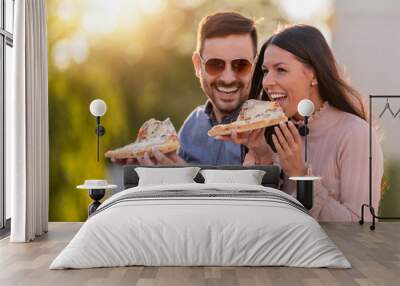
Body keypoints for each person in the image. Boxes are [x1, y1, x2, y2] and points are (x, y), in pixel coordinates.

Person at [217, 24, 384, 222]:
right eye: (265, 71)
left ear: (313, 74)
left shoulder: (356, 134)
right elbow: (257, 219)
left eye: (280, 70)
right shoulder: (272, 131)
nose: (267, 82)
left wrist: (301, 175)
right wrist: (262, 155)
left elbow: (361, 227)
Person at [111, 11, 258, 166]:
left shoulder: (275, 130)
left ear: (256, 66)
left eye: (241, 65)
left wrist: (179, 177)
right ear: (197, 65)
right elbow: (188, 177)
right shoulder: (193, 125)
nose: (228, 78)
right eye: (215, 64)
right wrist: (167, 165)